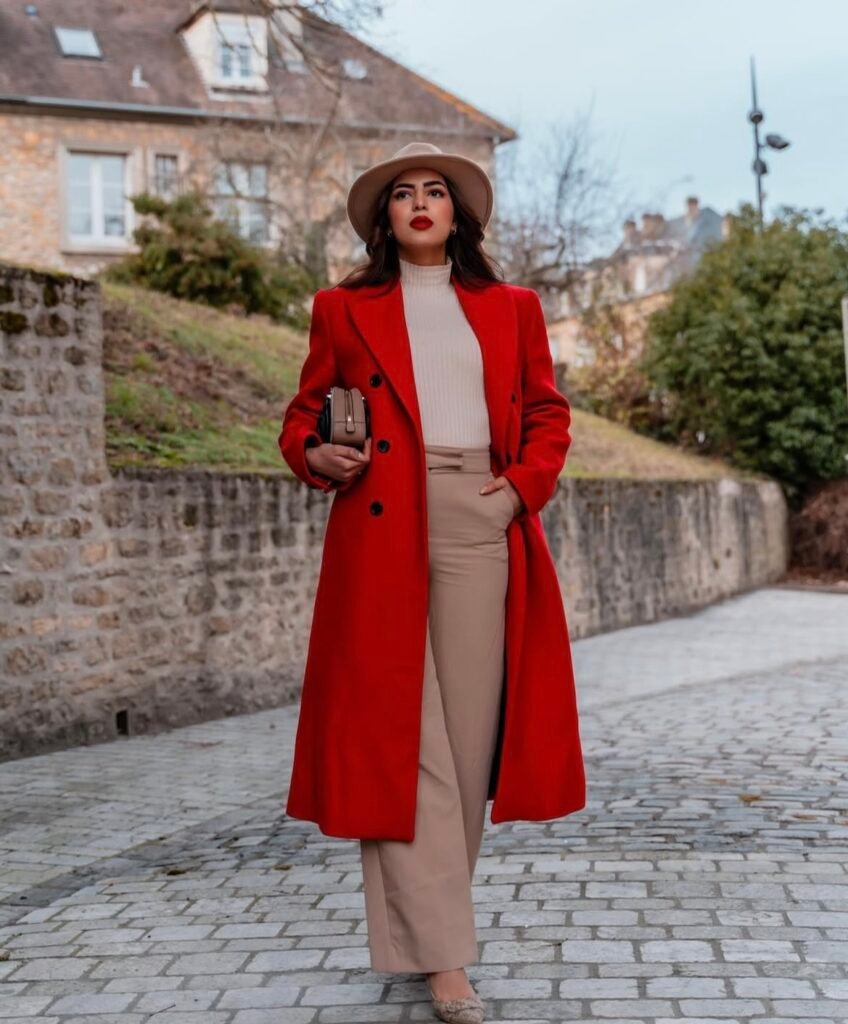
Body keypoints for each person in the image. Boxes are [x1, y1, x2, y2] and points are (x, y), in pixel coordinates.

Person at [279, 141, 586, 1024]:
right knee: (401, 740)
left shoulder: (512, 307)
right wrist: (315, 454)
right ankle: (446, 959)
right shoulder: (341, 309)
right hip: (380, 523)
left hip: (479, 515)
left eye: (437, 192)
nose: (420, 203)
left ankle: (427, 931)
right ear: (385, 218)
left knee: (466, 740)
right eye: (403, 194)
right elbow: (302, 416)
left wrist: (517, 492)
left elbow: (546, 412)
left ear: (459, 216)